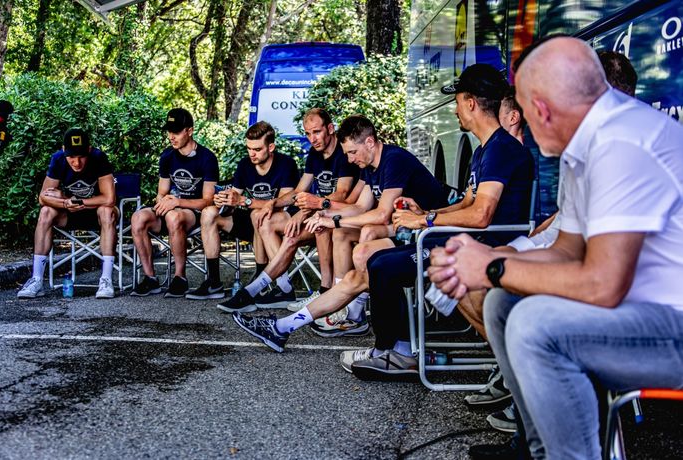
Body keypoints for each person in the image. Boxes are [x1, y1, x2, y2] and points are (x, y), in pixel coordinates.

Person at [430, 37, 683, 459]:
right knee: (502, 304)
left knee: (534, 323)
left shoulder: (621, 142)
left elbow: (602, 284)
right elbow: (567, 250)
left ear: (542, 108)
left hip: (670, 324)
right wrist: (487, 259)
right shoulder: (584, 146)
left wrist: (491, 269)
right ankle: (538, 449)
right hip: (640, 313)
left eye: (524, 114)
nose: (523, 127)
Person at [336, 64, 534, 380]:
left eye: (457, 102)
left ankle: (398, 353)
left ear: (471, 103)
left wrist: (426, 220)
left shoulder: (501, 149)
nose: (455, 110)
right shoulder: (484, 150)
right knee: (379, 260)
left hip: (489, 245)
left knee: (383, 266)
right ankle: (396, 350)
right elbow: (467, 203)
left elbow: (481, 214)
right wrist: (423, 216)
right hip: (468, 238)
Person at [231, 114, 448, 350]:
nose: (349, 159)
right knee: (348, 239)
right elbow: (359, 207)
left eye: (352, 152)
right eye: (347, 154)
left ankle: (353, 316)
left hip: (431, 234)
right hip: (407, 230)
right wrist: (328, 218)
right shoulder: (371, 164)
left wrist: (333, 221)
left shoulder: (394, 160)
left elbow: (381, 214)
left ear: (369, 142)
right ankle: (301, 322)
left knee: (364, 243)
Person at [218, 108, 359, 309]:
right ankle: (283, 288)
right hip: (317, 214)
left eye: (317, 132)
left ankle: (324, 289)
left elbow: (342, 193)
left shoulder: (344, 152)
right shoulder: (314, 154)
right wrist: (272, 203)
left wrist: (304, 212)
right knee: (265, 218)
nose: (312, 138)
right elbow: (299, 190)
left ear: (330, 128)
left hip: (339, 217)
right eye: (308, 133)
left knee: (320, 223)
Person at [188, 121, 299, 305]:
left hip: (277, 223)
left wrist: (245, 201)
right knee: (209, 213)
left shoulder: (286, 164)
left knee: (259, 215)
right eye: (248, 148)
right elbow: (235, 200)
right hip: (251, 221)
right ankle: (214, 282)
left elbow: (280, 205)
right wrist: (225, 201)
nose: (251, 153)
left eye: (257, 149)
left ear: (271, 147)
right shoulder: (244, 165)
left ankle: (264, 276)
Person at [17, 127, 117, 299]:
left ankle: (106, 279)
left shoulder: (99, 157)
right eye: (71, 157)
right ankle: (36, 279)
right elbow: (43, 197)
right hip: (69, 213)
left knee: (107, 211)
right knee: (46, 211)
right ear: (64, 151)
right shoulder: (58, 159)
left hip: (96, 214)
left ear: (89, 150)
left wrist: (73, 200)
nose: (76, 163)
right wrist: (64, 202)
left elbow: (109, 199)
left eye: (81, 157)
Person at [131, 108, 218, 298]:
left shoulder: (207, 158)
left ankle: (180, 278)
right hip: (170, 208)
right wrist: (163, 202)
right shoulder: (167, 156)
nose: (171, 136)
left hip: (192, 212)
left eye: (176, 131)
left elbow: (208, 201)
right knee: (138, 218)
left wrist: (177, 202)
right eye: (169, 131)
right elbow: (161, 193)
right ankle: (150, 278)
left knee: (174, 216)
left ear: (190, 130)